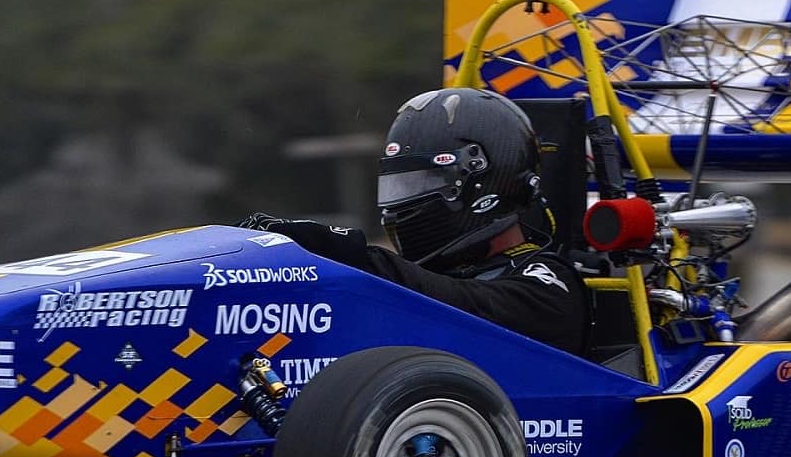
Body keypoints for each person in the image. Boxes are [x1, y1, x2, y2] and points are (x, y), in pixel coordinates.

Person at [240, 87, 589, 355]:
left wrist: (350, 254)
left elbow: (462, 305)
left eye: (423, 183)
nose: (404, 200)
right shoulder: (431, 276)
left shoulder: (547, 285)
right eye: (401, 184)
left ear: (485, 183)